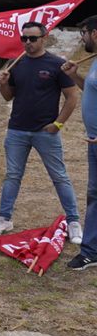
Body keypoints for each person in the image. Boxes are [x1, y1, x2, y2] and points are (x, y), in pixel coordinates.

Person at [0, 21, 81, 244]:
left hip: (45, 132)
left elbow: (72, 98)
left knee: (59, 176)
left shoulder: (57, 65)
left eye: (32, 38)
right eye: (24, 38)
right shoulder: (16, 63)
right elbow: (8, 96)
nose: (27, 43)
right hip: (17, 131)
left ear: (44, 38)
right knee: (12, 175)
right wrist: (3, 83)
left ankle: (74, 221)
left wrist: (57, 124)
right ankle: (4, 218)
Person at [68, 16, 97, 271]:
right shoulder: (96, 60)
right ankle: (91, 251)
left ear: (95, 34)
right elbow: (92, 91)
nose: (82, 39)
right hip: (93, 142)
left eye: (84, 33)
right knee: (94, 195)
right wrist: (76, 76)